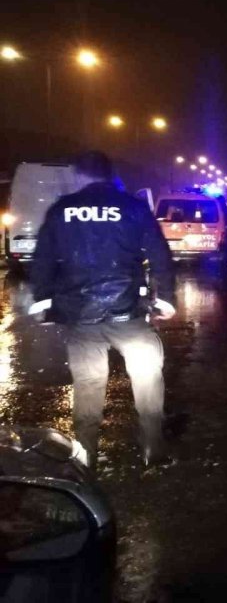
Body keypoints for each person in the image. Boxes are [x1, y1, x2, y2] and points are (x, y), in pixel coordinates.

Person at [29, 151, 176, 467]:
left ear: (79, 176)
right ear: (109, 175)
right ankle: (152, 446)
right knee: (147, 375)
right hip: (129, 314)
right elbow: (160, 255)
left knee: (89, 384)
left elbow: (41, 260)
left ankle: (86, 456)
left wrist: (42, 302)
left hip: (80, 317)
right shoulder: (133, 207)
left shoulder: (61, 209)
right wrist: (166, 299)